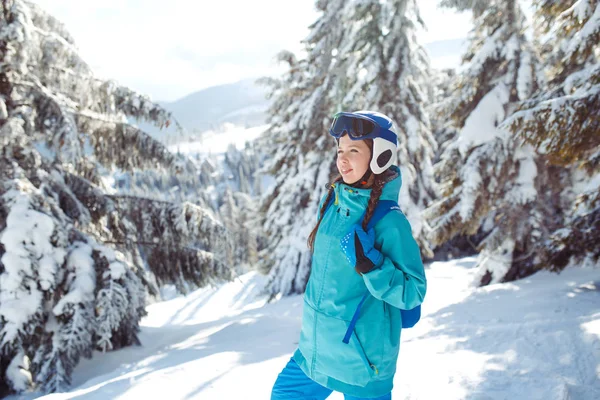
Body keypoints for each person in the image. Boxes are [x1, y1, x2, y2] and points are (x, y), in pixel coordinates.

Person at [270, 111, 427, 399]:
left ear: (380, 156)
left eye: (353, 151)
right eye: (340, 150)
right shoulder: (332, 200)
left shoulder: (389, 222)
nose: (342, 159)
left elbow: (413, 292)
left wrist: (372, 266)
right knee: (284, 394)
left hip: (362, 361)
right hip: (318, 347)